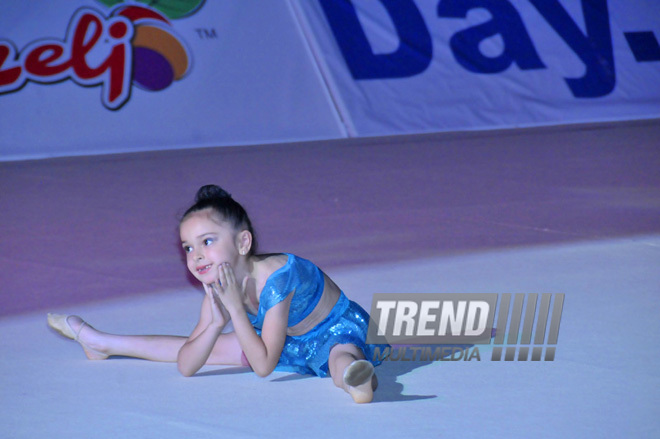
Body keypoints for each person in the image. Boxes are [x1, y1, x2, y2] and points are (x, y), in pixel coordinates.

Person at [48, 184, 385, 403]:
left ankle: (356, 382)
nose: (195, 256)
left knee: (340, 355)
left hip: (332, 331)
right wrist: (211, 326)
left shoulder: (279, 278)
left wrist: (236, 312)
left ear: (243, 242)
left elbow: (264, 365)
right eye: (187, 247)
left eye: (207, 242)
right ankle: (102, 342)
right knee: (205, 345)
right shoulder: (220, 283)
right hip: (274, 339)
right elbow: (186, 364)